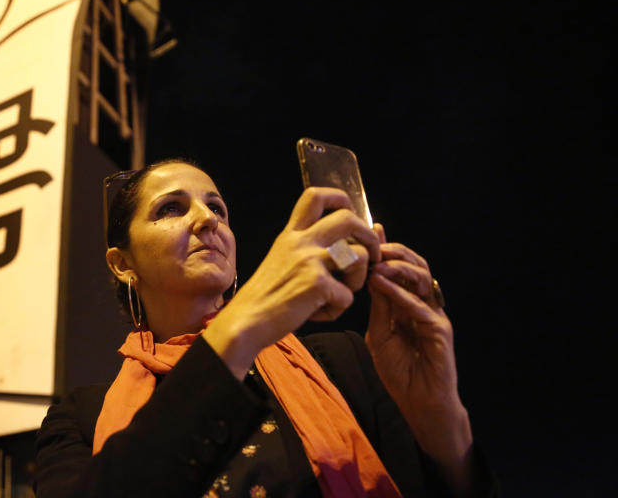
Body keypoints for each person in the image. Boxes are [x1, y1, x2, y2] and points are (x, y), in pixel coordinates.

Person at [34, 159, 498, 497]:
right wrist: (244, 325)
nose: (206, 219)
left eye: (217, 207)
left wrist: (440, 416)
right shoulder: (80, 417)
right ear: (123, 263)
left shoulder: (342, 360)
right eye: (171, 209)